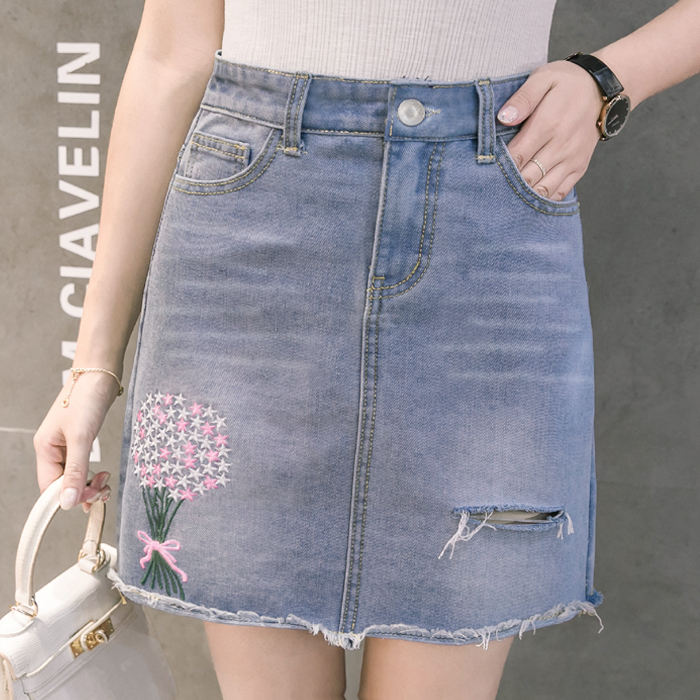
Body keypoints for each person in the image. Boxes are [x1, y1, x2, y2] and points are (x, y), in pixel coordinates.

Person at [33, 1, 700, 699]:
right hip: (254, 228)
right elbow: (172, 54)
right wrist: (92, 367)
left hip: (488, 225)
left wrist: (607, 81)